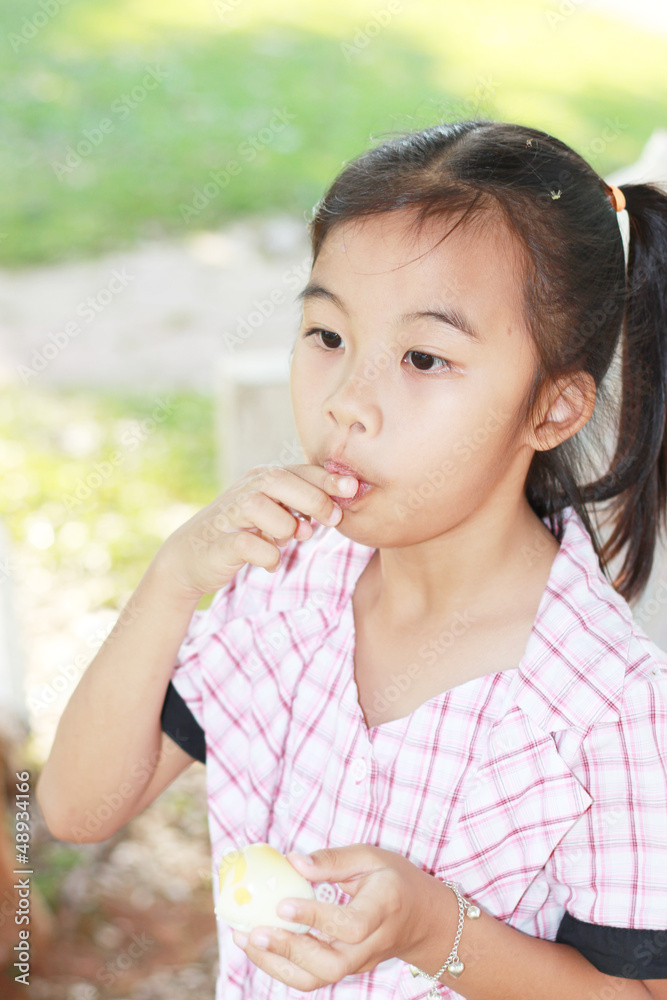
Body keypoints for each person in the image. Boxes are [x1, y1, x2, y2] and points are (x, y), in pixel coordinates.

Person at [36, 119, 667, 1000]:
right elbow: (75, 805)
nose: (347, 403)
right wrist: (174, 577)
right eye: (327, 337)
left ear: (553, 410)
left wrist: (433, 929)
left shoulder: (602, 701)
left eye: (422, 357)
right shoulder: (285, 586)